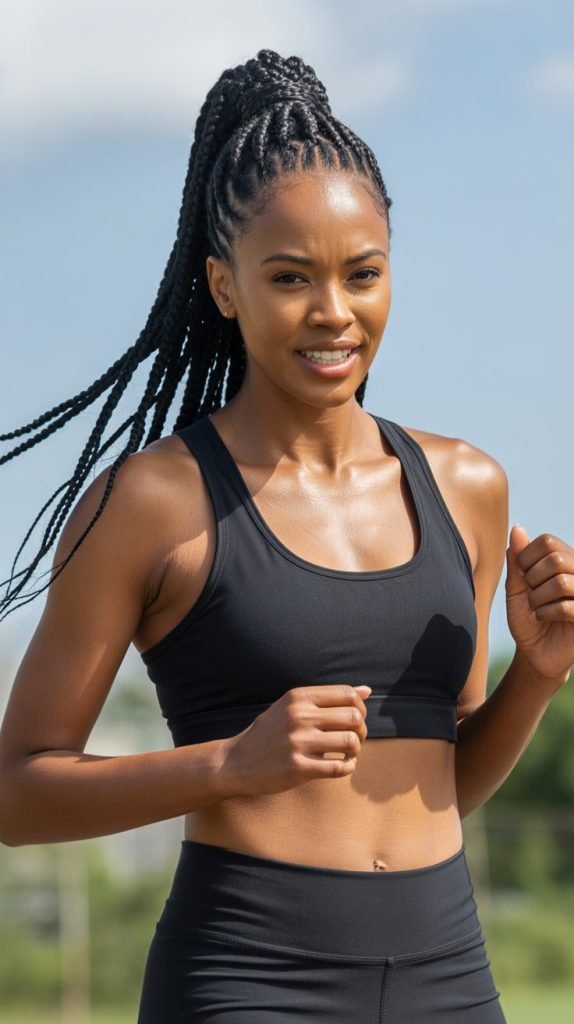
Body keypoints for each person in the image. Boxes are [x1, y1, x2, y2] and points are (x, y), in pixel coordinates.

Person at [0, 48, 572, 1023]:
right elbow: (17, 793)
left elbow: (446, 781)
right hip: (244, 983)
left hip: (450, 983)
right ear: (225, 287)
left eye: (362, 273)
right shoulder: (151, 502)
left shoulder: (467, 485)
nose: (332, 312)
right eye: (289, 277)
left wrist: (539, 672)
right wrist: (227, 765)